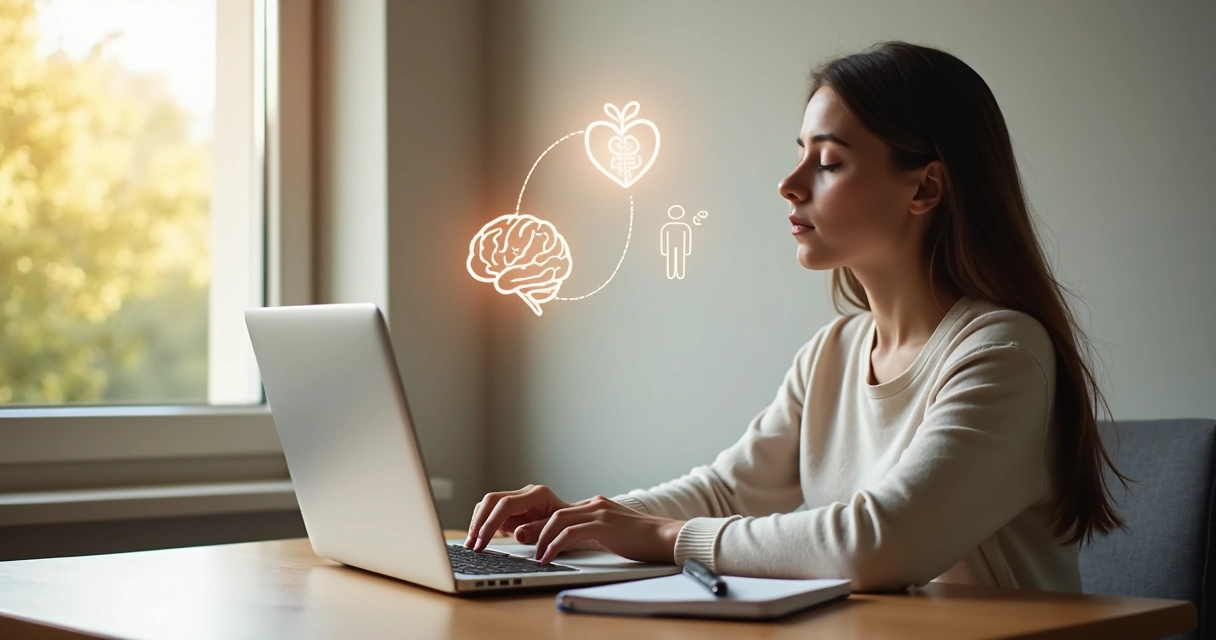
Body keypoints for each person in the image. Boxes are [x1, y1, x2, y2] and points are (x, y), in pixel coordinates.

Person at [464, 41, 1128, 593]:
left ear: (924, 187)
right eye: (802, 151)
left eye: (830, 160)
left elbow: (881, 545)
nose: (791, 182)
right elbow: (730, 492)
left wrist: (664, 538)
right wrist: (590, 518)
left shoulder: (1003, 352)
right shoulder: (834, 351)